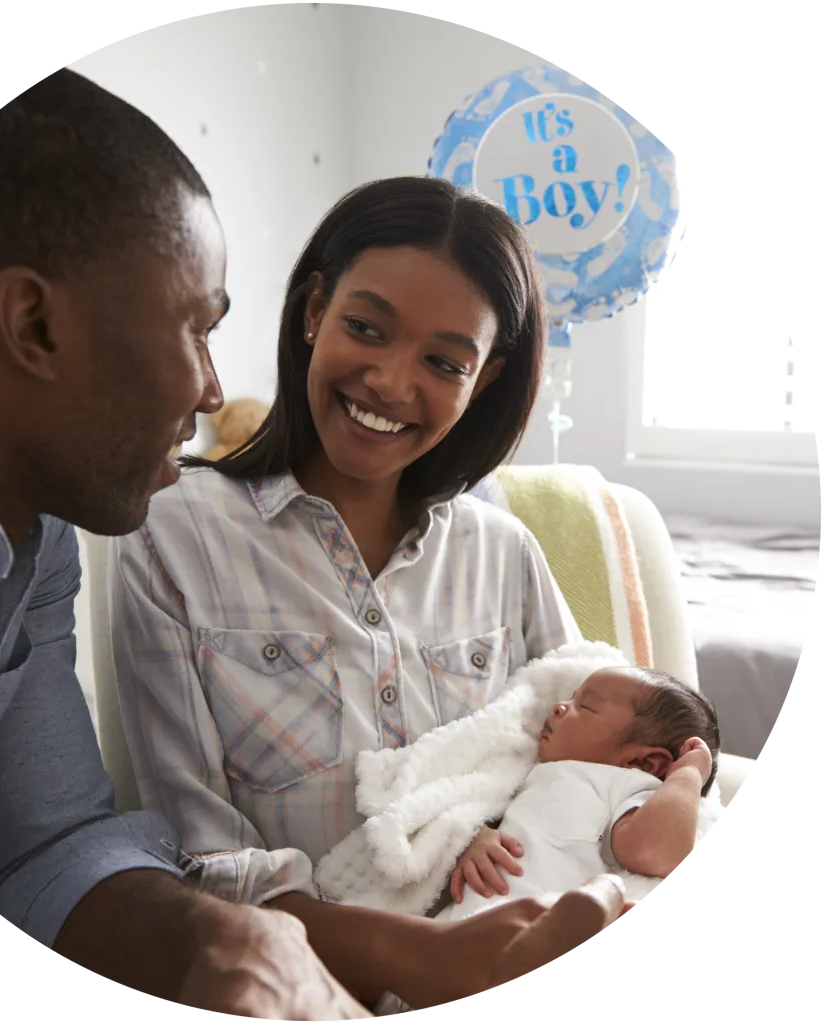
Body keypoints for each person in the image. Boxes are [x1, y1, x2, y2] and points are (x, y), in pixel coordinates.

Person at [0, 65, 371, 1021]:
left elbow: (46, 842)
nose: (207, 393)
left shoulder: (33, 527)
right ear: (34, 324)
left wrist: (217, 938)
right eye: (197, 327)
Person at [108, 174, 632, 1014]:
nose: (391, 383)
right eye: (365, 328)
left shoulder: (503, 553)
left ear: (485, 378)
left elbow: (612, 748)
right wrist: (412, 955)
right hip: (300, 991)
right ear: (313, 310)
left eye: (443, 362)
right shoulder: (175, 535)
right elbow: (202, 854)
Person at [443, 666, 720, 916]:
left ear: (643, 762)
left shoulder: (630, 788)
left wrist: (688, 774)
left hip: (540, 930)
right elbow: (479, 807)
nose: (559, 706)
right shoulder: (527, 770)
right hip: (468, 924)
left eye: (584, 706)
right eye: (571, 697)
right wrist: (477, 836)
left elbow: (654, 852)